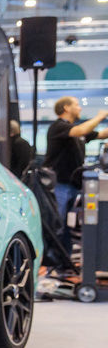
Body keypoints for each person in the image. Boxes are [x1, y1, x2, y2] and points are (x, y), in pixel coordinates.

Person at [43, 96, 108, 267]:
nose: (80, 108)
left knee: (68, 226)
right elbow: (80, 130)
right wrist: (100, 116)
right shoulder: (59, 127)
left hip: (73, 185)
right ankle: (52, 262)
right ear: (66, 108)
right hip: (59, 185)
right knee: (57, 225)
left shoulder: (76, 130)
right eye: (77, 105)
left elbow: (101, 134)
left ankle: (64, 262)